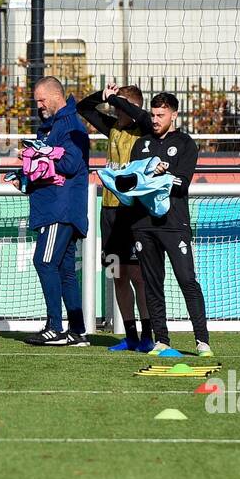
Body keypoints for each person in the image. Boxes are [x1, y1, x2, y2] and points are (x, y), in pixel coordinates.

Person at [113, 91, 211, 357]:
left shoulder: (185, 144)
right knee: (152, 283)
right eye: (153, 115)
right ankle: (162, 340)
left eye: (161, 115)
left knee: (187, 281)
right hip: (143, 225)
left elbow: (182, 184)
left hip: (174, 224)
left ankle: (202, 342)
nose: (155, 120)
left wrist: (163, 174)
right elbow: (132, 182)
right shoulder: (141, 144)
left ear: (174, 115)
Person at [14, 76, 90, 347]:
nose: (39, 105)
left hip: (61, 208)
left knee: (44, 262)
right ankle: (78, 331)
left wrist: (42, 158)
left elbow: (69, 163)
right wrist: (24, 174)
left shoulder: (69, 125)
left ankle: (55, 327)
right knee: (65, 270)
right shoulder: (51, 126)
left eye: (41, 99)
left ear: (56, 96)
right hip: (55, 206)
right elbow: (44, 162)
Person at [78, 82, 154, 352]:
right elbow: (83, 107)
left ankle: (148, 335)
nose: (114, 109)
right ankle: (131, 336)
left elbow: (141, 115)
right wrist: (103, 96)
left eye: (118, 105)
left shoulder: (145, 130)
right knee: (116, 274)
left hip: (133, 213)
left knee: (138, 275)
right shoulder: (113, 128)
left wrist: (121, 101)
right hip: (109, 214)